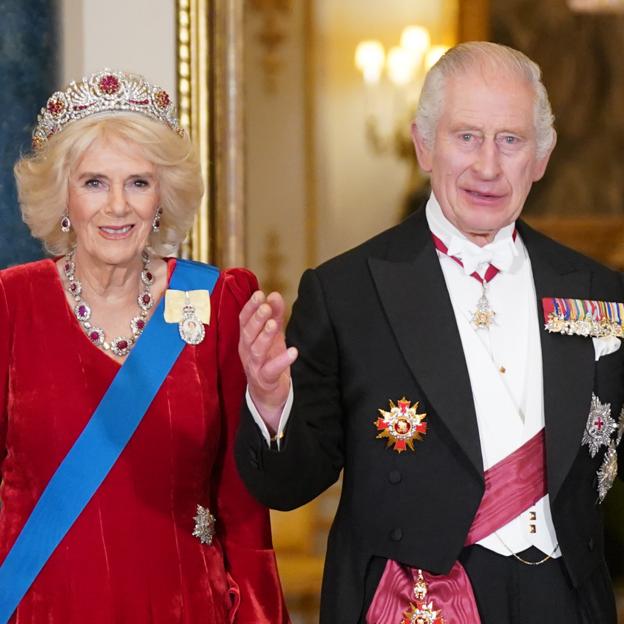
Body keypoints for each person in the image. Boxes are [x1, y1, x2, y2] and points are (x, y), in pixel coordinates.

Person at [236, 42, 624, 623]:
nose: (488, 167)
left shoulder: (599, 291)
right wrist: (271, 405)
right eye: (466, 136)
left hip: (566, 601)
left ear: (542, 157)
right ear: (423, 144)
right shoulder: (348, 293)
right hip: (416, 600)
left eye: (510, 141)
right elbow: (290, 485)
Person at [0, 69, 288, 623]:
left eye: (137, 182)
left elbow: (243, 505)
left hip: (183, 606)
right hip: (44, 607)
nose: (117, 207)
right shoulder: (13, 303)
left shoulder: (216, 300)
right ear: (62, 195)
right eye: (93, 183)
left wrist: (270, 404)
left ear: (162, 196)